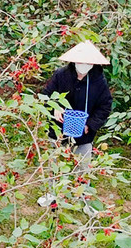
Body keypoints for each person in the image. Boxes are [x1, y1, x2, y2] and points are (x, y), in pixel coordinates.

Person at [36, 40, 112, 207]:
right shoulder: (61, 75)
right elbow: (46, 96)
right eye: (81, 61)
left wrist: (90, 125)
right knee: (54, 162)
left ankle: (83, 197)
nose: (83, 65)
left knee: (83, 166)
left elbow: (105, 106)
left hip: (83, 133)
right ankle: (52, 194)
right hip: (59, 128)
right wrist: (54, 108)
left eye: (88, 62)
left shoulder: (98, 80)